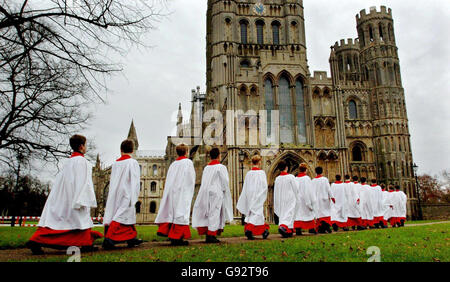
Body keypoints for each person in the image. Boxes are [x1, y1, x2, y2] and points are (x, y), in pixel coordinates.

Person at [26, 135, 102, 255]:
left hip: (62, 197)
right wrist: (84, 199)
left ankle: (86, 243)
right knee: (79, 221)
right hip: (75, 197)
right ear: (82, 146)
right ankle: (37, 241)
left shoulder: (68, 162)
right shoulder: (83, 162)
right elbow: (84, 183)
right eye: (86, 145)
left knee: (60, 223)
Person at [102, 140, 143, 250]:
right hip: (127, 193)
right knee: (121, 216)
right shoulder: (133, 163)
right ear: (133, 150)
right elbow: (135, 180)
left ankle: (131, 238)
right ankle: (109, 238)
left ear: (121, 150)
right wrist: (134, 195)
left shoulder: (115, 163)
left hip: (115, 192)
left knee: (125, 216)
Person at [155, 144, 196, 246]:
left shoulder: (173, 164)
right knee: (181, 213)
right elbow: (191, 178)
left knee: (173, 213)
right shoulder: (188, 162)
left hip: (172, 192)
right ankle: (177, 238)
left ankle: (173, 236)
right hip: (182, 191)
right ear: (186, 152)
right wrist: (189, 190)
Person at [192, 148, 233, 243]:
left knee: (207, 212)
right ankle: (211, 234)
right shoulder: (221, 167)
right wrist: (224, 190)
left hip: (206, 191)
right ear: (219, 156)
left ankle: (208, 233)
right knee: (215, 212)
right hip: (216, 192)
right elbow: (225, 181)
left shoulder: (206, 168)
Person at [236, 155, 270, 240]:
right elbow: (264, 186)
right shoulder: (261, 173)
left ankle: (262, 230)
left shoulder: (248, 174)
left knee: (254, 213)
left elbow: (245, 186)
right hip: (258, 195)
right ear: (259, 162)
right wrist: (262, 195)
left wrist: (246, 196)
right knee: (257, 213)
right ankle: (249, 228)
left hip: (250, 196)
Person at [273, 161, 297, 238]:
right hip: (289, 198)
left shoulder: (277, 179)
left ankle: (288, 229)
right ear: (286, 167)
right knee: (289, 213)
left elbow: (275, 190)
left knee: (283, 213)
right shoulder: (291, 177)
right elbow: (296, 188)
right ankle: (283, 226)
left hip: (281, 198)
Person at [294, 163, 316, 235]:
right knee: (308, 214)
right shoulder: (307, 179)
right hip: (305, 198)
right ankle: (311, 228)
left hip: (298, 199)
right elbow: (310, 190)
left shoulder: (296, 179)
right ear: (306, 170)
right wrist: (312, 200)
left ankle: (298, 229)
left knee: (299, 214)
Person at [312, 167, 335, 234]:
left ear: (315, 172)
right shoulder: (325, 179)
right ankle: (326, 226)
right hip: (324, 199)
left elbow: (311, 191)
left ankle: (321, 227)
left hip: (316, 199)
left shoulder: (313, 181)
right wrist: (332, 197)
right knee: (325, 213)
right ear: (322, 171)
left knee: (319, 214)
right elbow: (328, 189)